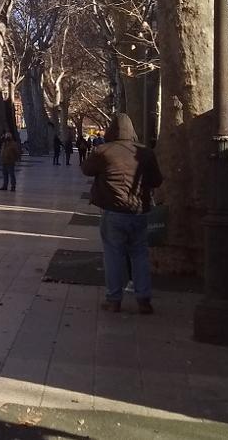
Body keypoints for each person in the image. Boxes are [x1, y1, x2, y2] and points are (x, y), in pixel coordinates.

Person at [81, 113, 163, 314]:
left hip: (113, 210)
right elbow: (156, 180)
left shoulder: (104, 151)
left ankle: (114, 299)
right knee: (140, 254)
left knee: (113, 255)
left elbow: (86, 169)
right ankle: (144, 299)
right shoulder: (145, 152)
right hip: (139, 211)